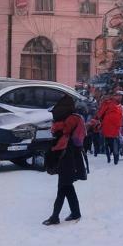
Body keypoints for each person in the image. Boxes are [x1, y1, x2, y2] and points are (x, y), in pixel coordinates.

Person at [42, 94, 88, 225]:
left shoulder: (69, 121)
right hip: (72, 156)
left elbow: (62, 140)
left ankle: (55, 216)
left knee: (63, 187)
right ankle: (75, 213)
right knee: (67, 187)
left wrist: (52, 150)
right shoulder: (74, 118)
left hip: (67, 157)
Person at [96, 91, 123, 165]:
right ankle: (114, 157)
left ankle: (112, 156)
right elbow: (100, 113)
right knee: (113, 142)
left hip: (112, 126)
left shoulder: (117, 105)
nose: (120, 97)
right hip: (111, 126)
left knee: (109, 142)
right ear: (114, 96)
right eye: (118, 95)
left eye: (120, 96)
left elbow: (100, 113)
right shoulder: (113, 104)